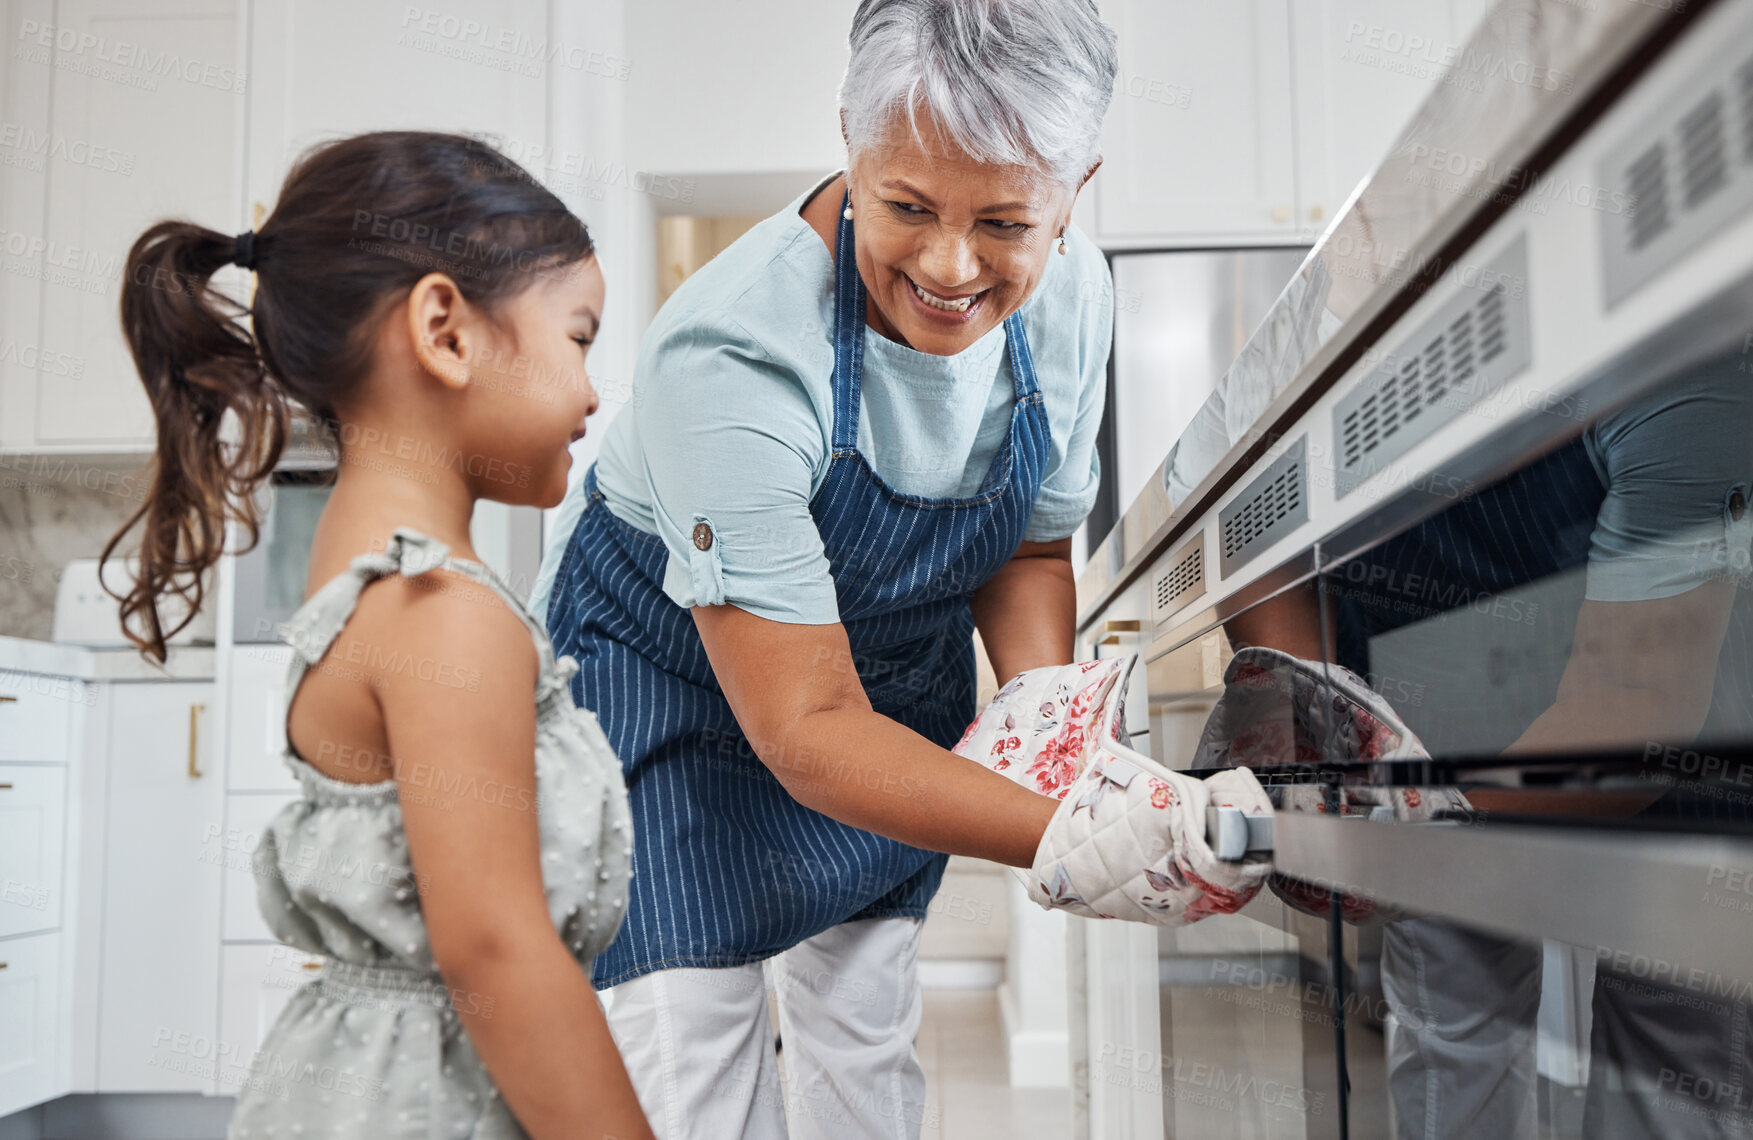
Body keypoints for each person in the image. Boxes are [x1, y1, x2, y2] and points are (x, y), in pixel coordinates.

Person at [527, 2, 1144, 1135]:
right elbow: (807, 726)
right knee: (695, 1059)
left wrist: (1049, 730)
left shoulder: (1074, 297)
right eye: (905, 205)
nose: (951, 267)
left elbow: (1031, 544)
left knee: (863, 1038)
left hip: (886, 690)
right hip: (665, 702)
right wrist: (1062, 830)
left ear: (1077, 186)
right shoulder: (734, 356)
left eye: (1007, 220)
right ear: (849, 143)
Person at [106, 131, 654, 1140]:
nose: (589, 392)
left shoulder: (365, 576)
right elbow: (496, 950)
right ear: (445, 329)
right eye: (578, 338)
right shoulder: (442, 613)